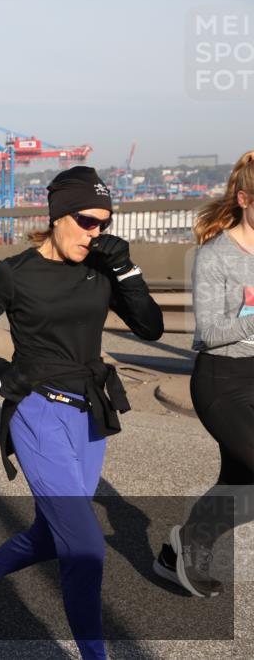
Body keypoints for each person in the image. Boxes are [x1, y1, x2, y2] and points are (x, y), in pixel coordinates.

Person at [0, 166, 163, 659]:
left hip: (90, 417)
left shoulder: (105, 268)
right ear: (58, 216)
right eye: (88, 222)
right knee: (86, 549)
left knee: (57, 532)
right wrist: (0, 374)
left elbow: (151, 328)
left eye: (104, 224)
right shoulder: (15, 272)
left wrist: (127, 270)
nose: (97, 233)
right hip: (37, 415)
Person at [153, 150, 254, 597]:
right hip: (222, 382)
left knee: (241, 486)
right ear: (245, 198)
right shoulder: (216, 256)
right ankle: (190, 541)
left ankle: (179, 550)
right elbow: (208, 333)